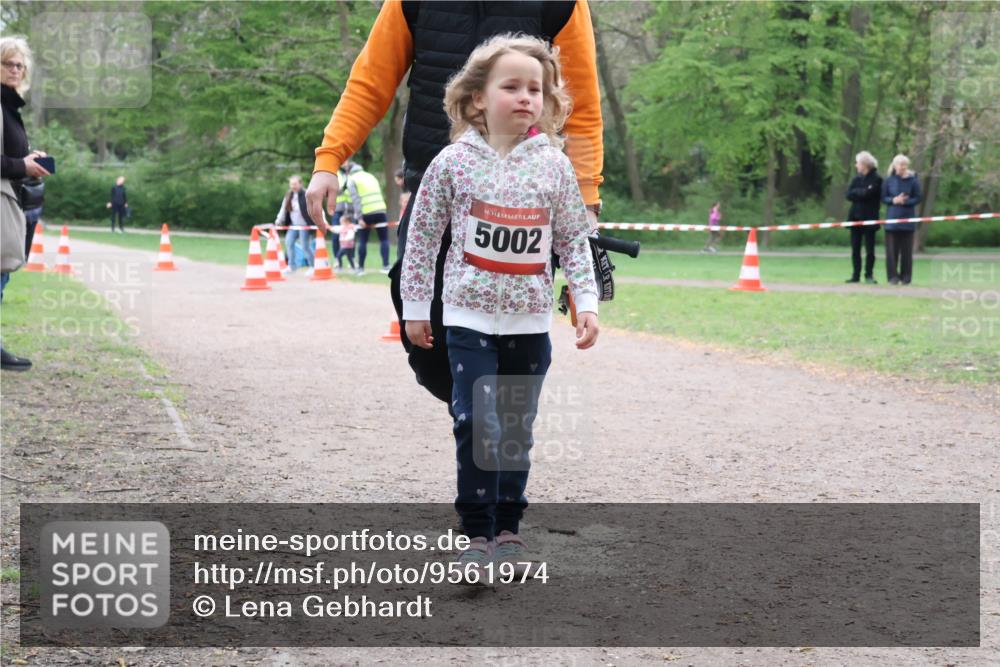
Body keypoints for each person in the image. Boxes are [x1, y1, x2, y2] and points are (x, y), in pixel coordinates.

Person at [306, 0, 604, 406]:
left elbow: (581, 105)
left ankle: (492, 423)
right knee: (424, 328)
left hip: (524, 197)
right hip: (439, 182)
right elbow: (370, 82)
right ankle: (474, 408)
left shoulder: (563, 4)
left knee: (516, 348)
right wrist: (330, 159)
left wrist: (586, 202)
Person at [401, 34, 599, 572]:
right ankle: (476, 534)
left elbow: (573, 240)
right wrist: (415, 307)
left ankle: (509, 527)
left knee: (514, 428)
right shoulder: (452, 163)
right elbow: (422, 239)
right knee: (475, 421)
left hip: (529, 322)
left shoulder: (554, 167)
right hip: (467, 316)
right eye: (511, 86)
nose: (526, 97)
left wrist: (585, 300)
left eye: (536, 88)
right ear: (477, 98)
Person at [1, 35, 51, 372]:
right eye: (8, 63)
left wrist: (29, 159)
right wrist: (23, 165)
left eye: (20, 65)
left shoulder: (9, 107)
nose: (15, 70)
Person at [881, 154, 922, 286]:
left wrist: (905, 201)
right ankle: (892, 277)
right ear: (894, 166)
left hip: (907, 221)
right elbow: (883, 198)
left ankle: (906, 277)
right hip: (892, 221)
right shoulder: (888, 180)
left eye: (904, 165)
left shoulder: (913, 181)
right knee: (891, 252)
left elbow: (918, 197)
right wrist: (893, 200)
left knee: (906, 252)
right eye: (900, 165)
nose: (902, 167)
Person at [344, 160, 389, 276]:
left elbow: (355, 200)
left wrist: (359, 218)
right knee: (384, 239)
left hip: (366, 212)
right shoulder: (370, 176)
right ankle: (386, 266)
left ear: (348, 171)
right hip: (381, 209)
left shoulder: (352, 179)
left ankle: (361, 268)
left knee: (363, 240)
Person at [844, 151, 883, 284]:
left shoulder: (877, 179)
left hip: (870, 218)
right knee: (855, 249)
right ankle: (855, 275)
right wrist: (862, 192)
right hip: (855, 218)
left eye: (858, 163)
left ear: (864, 164)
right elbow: (848, 195)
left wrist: (859, 193)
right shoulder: (856, 179)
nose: (856, 165)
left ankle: (869, 275)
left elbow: (870, 193)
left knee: (870, 249)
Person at [275, 175, 315, 270]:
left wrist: (321, 221)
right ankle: (291, 266)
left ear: (300, 184)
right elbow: (283, 208)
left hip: (305, 226)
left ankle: (313, 266)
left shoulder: (307, 194)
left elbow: (316, 209)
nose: (293, 186)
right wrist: (279, 220)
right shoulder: (289, 195)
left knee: (305, 246)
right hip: (293, 225)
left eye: (295, 184)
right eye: (291, 184)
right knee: (289, 243)